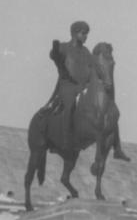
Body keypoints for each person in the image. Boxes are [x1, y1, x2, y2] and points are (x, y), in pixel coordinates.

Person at [44, 21, 129, 161]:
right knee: (70, 103)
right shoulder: (64, 47)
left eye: (87, 34)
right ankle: (65, 141)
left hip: (84, 86)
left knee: (110, 111)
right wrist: (55, 50)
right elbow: (54, 55)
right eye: (83, 33)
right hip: (68, 86)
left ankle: (117, 148)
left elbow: (96, 66)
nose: (85, 36)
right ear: (74, 32)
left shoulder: (86, 52)